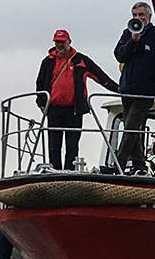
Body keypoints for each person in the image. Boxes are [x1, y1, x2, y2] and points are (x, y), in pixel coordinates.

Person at [35, 30, 119, 170]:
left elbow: (100, 77)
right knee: (54, 145)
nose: (59, 45)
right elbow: (40, 83)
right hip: (53, 109)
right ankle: (54, 171)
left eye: (62, 41)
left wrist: (120, 90)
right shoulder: (48, 61)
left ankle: (70, 171)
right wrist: (41, 103)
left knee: (72, 145)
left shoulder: (80, 60)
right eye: (57, 42)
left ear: (69, 41)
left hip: (74, 109)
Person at [113, 1, 155, 174]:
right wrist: (132, 40)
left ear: (149, 17)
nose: (138, 19)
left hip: (145, 92)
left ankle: (119, 165)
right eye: (134, 16)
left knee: (130, 127)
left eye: (141, 15)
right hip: (127, 89)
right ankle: (139, 165)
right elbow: (119, 56)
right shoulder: (127, 33)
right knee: (133, 128)